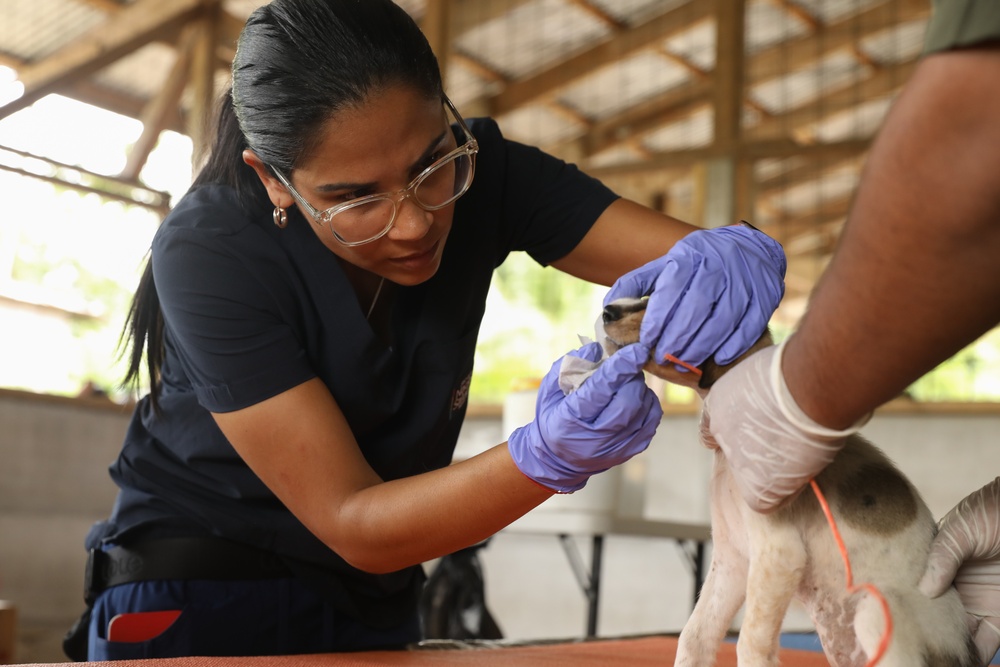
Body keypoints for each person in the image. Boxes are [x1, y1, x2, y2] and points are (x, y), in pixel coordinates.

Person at [71, 0, 786, 660]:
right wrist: (548, 453)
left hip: (374, 603)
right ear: (273, 181)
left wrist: (735, 255)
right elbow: (354, 520)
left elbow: (690, 261)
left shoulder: (487, 171)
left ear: (447, 115)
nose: (414, 223)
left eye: (430, 165)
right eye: (353, 198)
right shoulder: (211, 251)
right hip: (203, 593)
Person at [624, 1, 1000, 663]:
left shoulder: (763, 443)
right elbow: (733, 562)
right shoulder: (740, 444)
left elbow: (970, 136)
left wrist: (755, 651)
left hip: (908, 613)